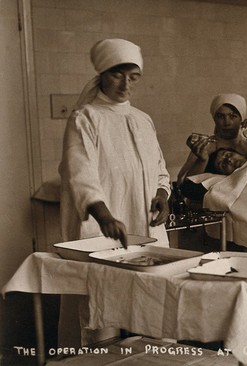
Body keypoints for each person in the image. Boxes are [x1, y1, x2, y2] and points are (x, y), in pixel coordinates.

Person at [58, 38, 171, 346]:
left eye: (133, 77)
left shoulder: (142, 120)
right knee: (102, 308)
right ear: (102, 75)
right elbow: (79, 174)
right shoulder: (85, 119)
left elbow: (160, 168)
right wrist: (104, 215)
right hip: (104, 228)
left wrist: (163, 195)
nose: (125, 84)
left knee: (150, 306)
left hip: (144, 226)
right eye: (117, 74)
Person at [177, 93, 247, 183]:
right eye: (220, 116)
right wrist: (202, 161)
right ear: (214, 119)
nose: (227, 122)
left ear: (241, 118)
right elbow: (183, 182)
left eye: (233, 116)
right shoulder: (206, 146)